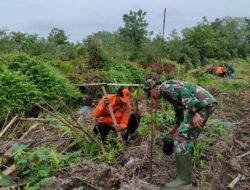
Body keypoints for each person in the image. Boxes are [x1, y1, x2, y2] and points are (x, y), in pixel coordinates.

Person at [145, 79, 217, 189]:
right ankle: (186, 170)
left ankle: (185, 179)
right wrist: (174, 127)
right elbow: (178, 108)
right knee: (186, 134)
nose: (151, 97)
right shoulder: (166, 91)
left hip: (202, 104)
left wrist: (194, 112)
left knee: (183, 138)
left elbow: (184, 92)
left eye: (149, 94)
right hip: (203, 103)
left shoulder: (165, 88)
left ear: (153, 88)